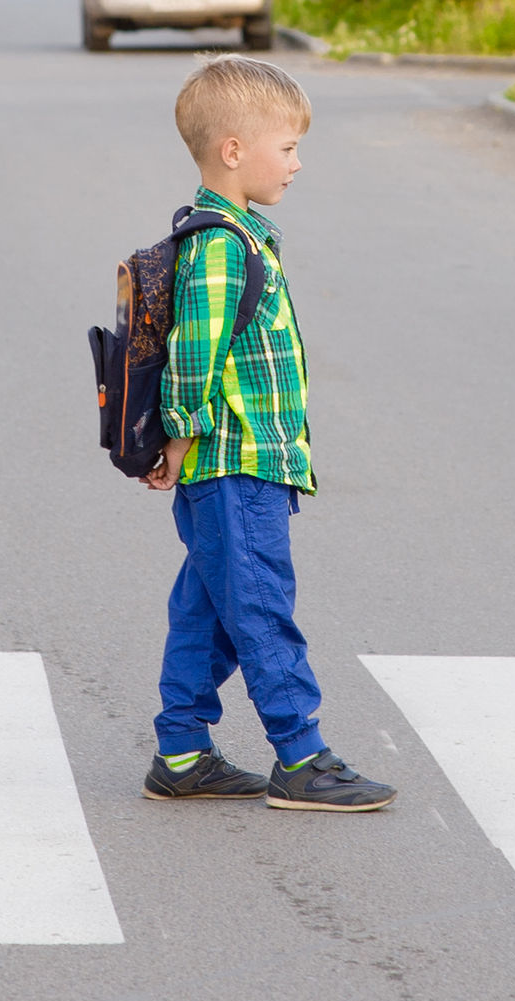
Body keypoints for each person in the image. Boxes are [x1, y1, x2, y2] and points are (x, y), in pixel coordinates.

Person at [140, 55, 398, 812]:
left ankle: (182, 753)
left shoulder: (244, 234)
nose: (297, 162)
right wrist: (181, 438)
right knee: (258, 609)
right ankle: (300, 754)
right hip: (233, 466)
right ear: (233, 152)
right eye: (286, 148)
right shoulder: (220, 245)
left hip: (247, 465)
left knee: (209, 612)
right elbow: (195, 352)